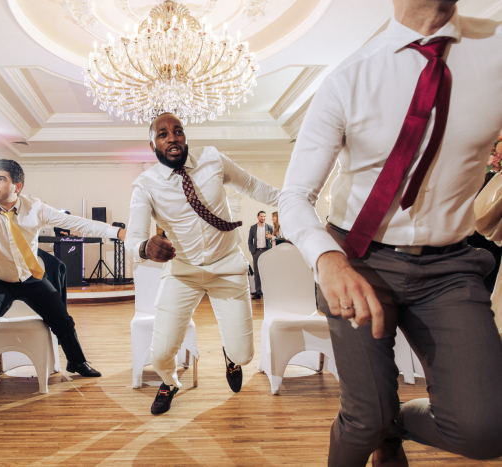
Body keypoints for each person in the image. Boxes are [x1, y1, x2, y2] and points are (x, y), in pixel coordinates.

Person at [279, 1, 502, 465]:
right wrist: (328, 260)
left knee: (487, 431)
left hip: (452, 267)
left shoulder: (496, 49)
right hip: (357, 261)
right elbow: (294, 196)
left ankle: (390, 423)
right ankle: (376, 425)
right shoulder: (347, 79)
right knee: (363, 422)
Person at [0, 159, 126, 423]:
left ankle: (76, 362)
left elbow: (77, 223)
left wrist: (117, 232)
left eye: (1, 178)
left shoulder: (35, 208)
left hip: (31, 278)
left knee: (62, 320)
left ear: (17, 186)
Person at [125, 113, 281, 415]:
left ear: (185, 138)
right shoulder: (145, 185)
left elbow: (254, 187)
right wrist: (144, 247)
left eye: (178, 131)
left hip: (228, 268)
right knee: (159, 355)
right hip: (182, 273)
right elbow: (134, 236)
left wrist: (292, 200)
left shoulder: (213, 159)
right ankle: (169, 383)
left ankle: (231, 356)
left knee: (245, 354)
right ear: (153, 145)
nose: (172, 137)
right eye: (163, 133)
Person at [247, 211, 273, 299]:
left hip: (266, 251)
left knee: (267, 272)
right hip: (256, 251)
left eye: (264, 216)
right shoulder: (253, 228)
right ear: (258, 217)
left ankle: (267, 292)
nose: (263, 218)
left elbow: (273, 239)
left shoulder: (269, 227)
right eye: (261, 216)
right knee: (257, 272)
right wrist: (252, 251)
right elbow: (250, 241)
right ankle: (258, 292)